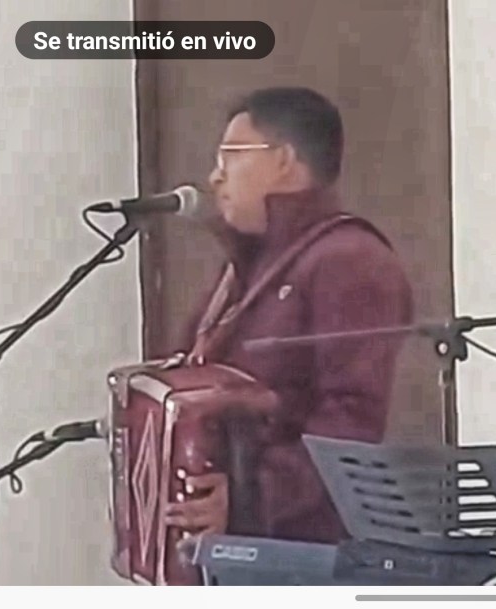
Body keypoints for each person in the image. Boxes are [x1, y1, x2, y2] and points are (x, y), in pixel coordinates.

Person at [162, 86, 414, 544]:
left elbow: (351, 419)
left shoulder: (350, 259)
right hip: (233, 547)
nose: (215, 177)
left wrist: (251, 497)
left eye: (230, 156)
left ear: (283, 160)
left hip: (302, 552)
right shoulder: (245, 265)